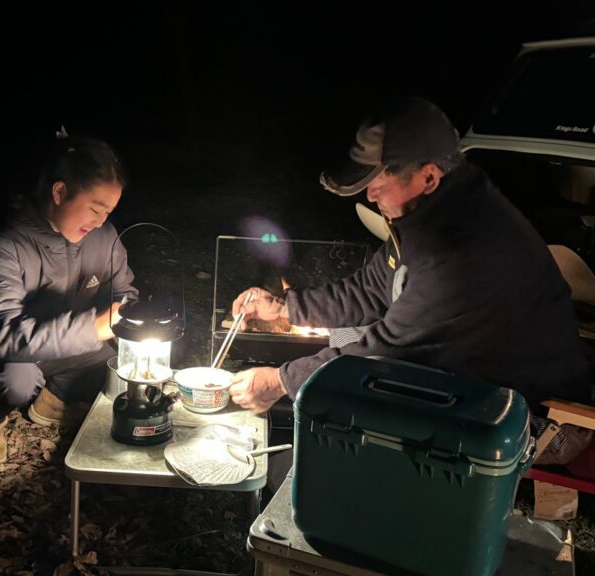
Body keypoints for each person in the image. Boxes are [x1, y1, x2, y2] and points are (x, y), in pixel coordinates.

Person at [229, 97, 592, 462]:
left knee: (361, 389)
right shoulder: (433, 209)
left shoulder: (461, 254)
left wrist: (280, 381)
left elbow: (385, 350)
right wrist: (284, 308)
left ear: (428, 176)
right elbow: (369, 289)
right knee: (344, 338)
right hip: (467, 362)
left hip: (530, 414)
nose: (370, 195)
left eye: (378, 183)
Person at [0, 132, 137, 467]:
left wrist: (130, 316)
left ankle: (53, 401)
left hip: (71, 346)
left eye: (109, 211)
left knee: (121, 367)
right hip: (18, 354)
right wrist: (95, 327)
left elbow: (123, 292)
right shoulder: (5, 244)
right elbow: (2, 335)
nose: (101, 221)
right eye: (95, 208)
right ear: (60, 192)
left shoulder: (104, 236)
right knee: (18, 381)